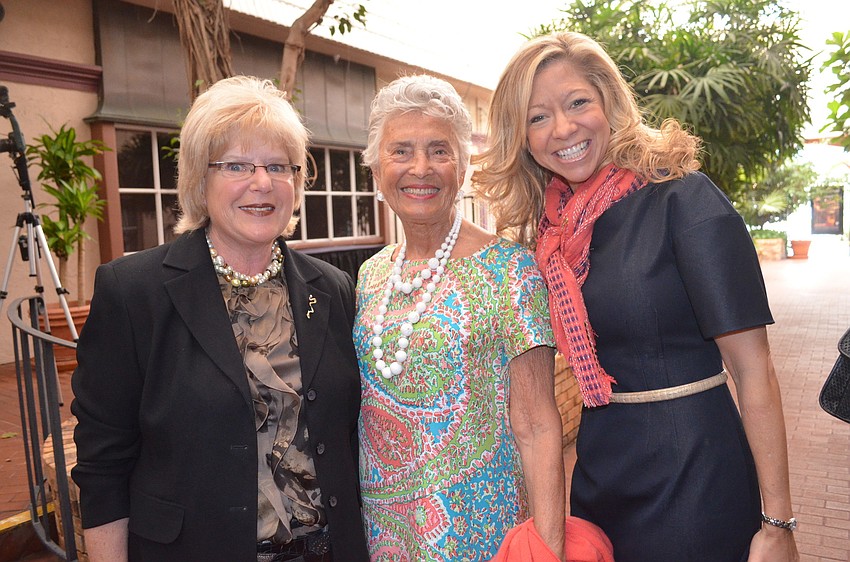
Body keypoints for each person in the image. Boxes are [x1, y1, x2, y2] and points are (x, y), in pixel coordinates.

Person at [473, 31, 799, 562]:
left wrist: (778, 522)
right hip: (601, 475)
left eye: (578, 102)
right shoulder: (553, 235)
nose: (563, 128)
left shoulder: (684, 198)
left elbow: (754, 368)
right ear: (522, 136)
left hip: (695, 472)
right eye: (538, 116)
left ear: (610, 103)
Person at [71, 75, 369, 562]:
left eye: (278, 166)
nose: (262, 183)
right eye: (236, 165)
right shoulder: (133, 292)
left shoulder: (331, 289)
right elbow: (103, 465)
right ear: (198, 179)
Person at [354, 74, 566, 561]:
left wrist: (549, 550)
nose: (420, 168)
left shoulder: (508, 270)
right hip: (385, 534)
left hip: (482, 535)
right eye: (401, 151)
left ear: (463, 166)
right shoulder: (371, 276)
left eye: (439, 150)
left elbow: (537, 424)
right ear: (377, 168)